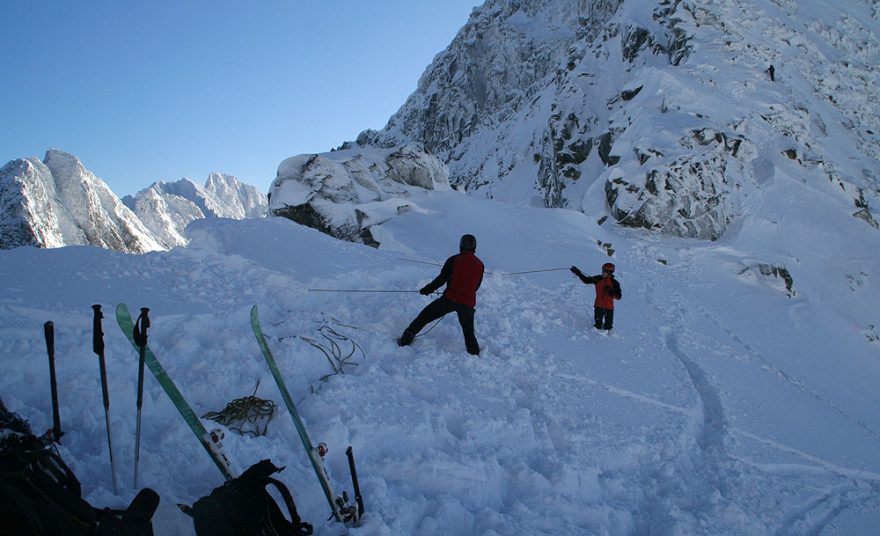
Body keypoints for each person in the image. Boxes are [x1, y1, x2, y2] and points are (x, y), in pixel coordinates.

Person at [398, 234, 484, 355]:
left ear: (461, 245)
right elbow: (476, 286)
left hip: (449, 299)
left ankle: (405, 340)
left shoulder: (453, 259)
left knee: (424, 317)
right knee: (469, 333)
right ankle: (474, 354)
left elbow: (441, 279)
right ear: (474, 247)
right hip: (467, 304)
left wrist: (428, 289)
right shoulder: (480, 265)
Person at [570, 262, 622, 330]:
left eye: (605, 271)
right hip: (598, 305)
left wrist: (611, 292)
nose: (603, 273)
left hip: (609, 307)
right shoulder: (598, 278)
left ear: (610, 273)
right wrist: (578, 272)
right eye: (603, 270)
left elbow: (619, 297)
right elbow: (586, 280)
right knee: (598, 326)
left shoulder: (615, 283)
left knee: (608, 327)